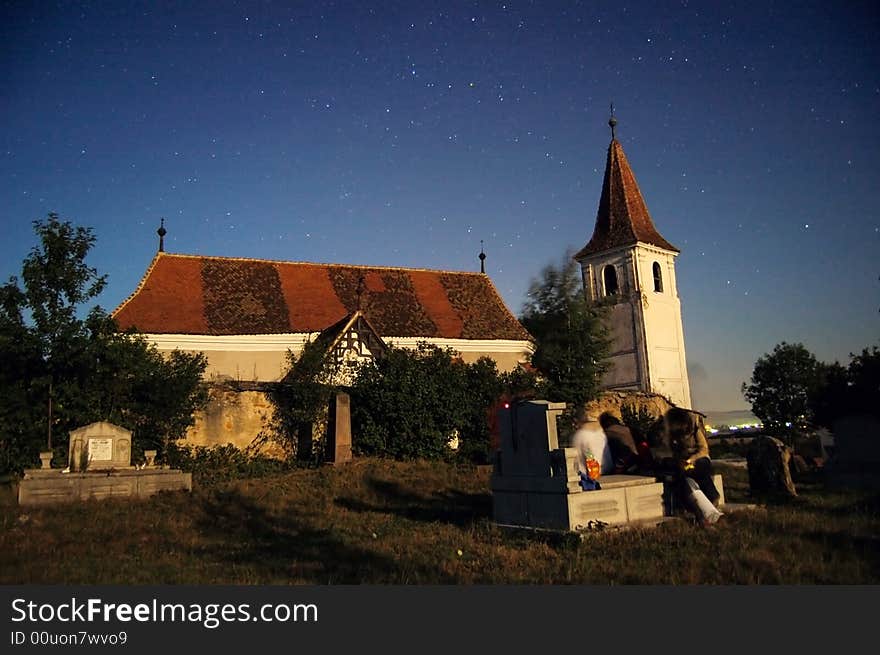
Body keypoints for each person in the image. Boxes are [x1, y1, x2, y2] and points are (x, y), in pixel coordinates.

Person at [653, 407, 722, 525]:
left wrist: (692, 459)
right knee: (682, 477)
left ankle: (711, 498)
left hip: (696, 459)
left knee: (702, 467)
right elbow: (662, 452)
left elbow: (703, 449)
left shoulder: (694, 428)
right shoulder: (664, 431)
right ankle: (701, 513)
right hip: (678, 462)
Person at [570, 407, 613, 490]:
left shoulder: (582, 434)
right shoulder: (600, 433)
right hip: (607, 471)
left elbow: (589, 455)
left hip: (590, 477)